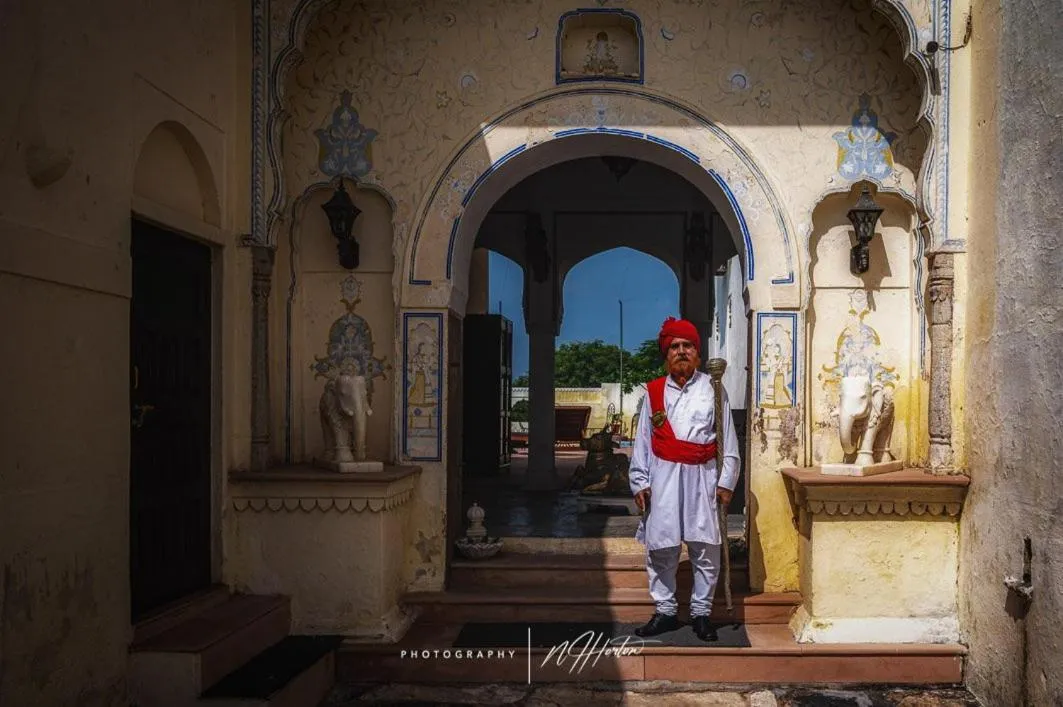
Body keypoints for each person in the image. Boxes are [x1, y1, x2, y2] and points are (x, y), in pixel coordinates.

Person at [628, 316, 740, 642]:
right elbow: (643, 441)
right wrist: (639, 481)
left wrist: (726, 482)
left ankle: (701, 613)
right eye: (675, 346)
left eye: (687, 346)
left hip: (703, 478)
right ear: (666, 354)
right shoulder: (653, 392)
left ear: (697, 354)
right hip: (662, 479)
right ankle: (664, 611)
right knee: (661, 549)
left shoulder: (714, 388)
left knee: (706, 549)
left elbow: (727, 441)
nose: (681, 351)